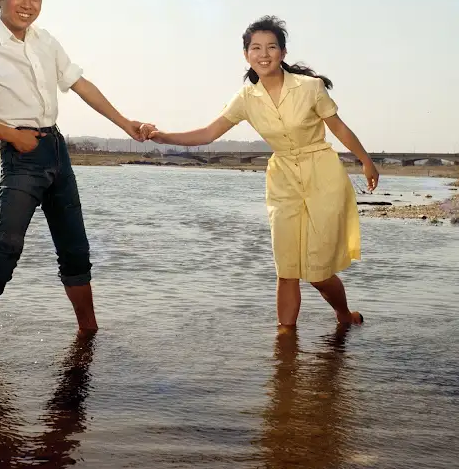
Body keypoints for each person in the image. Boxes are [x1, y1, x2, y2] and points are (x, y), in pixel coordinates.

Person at [0, 0, 152, 348]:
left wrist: (125, 123)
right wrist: (12, 136)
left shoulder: (45, 41)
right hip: (21, 156)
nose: (27, 4)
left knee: (76, 250)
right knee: (6, 250)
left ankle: (88, 334)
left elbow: (81, 85)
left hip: (57, 151)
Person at [148, 16, 379, 328]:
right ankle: (285, 344)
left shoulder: (311, 88)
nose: (264, 54)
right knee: (287, 268)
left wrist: (366, 161)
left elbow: (339, 128)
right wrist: (163, 137)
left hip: (323, 175)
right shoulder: (246, 98)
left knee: (318, 272)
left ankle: (343, 314)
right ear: (246, 55)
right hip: (283, 180)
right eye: (255, 48)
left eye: (271, 47)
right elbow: (208, 133)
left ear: (283, 52)